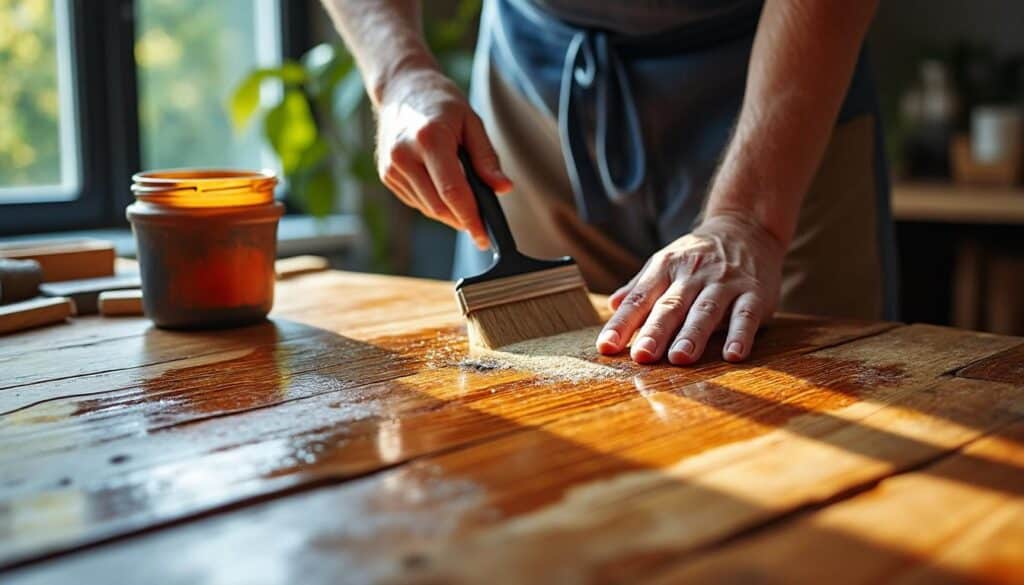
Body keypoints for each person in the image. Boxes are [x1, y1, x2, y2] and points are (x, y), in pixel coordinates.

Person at [322, 0, 898, 365]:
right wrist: (400, 75)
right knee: (519, 412)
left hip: (780, 78)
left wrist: (752, 220)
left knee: (818, 390)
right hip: (535, 85)